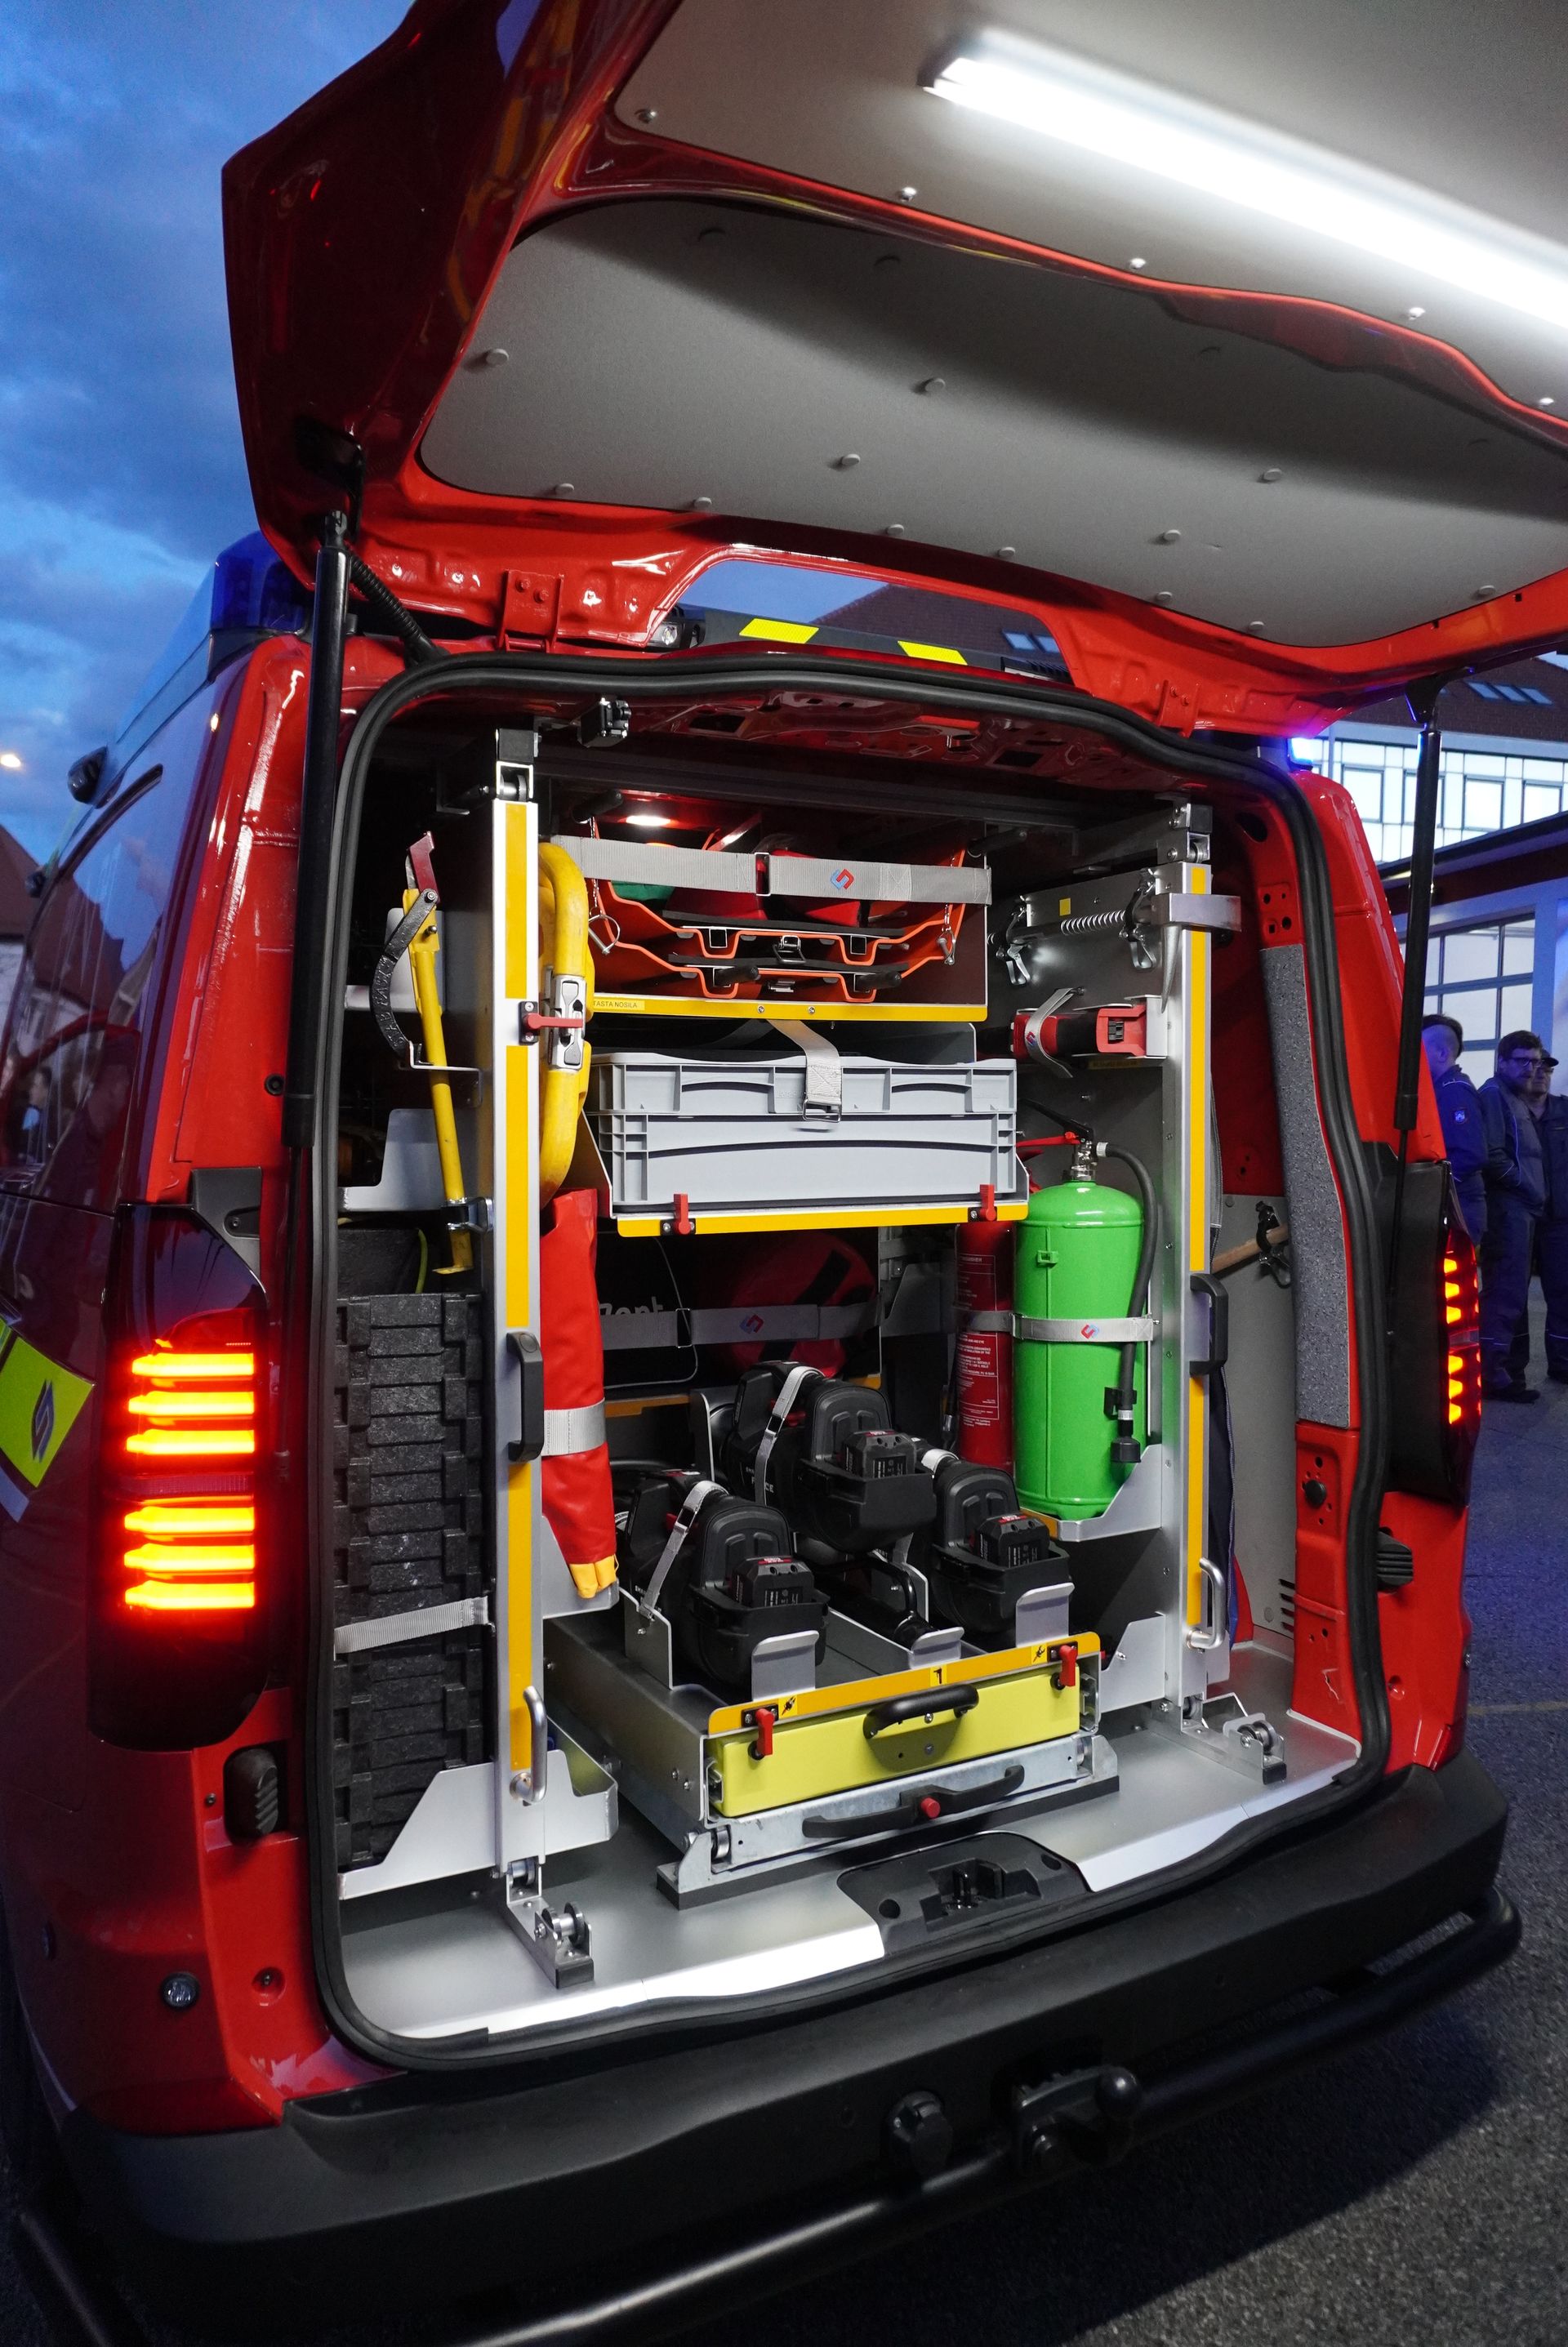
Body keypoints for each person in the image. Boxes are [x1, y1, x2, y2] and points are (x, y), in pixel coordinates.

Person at [1477, 1031, 1548, 1401]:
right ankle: (1491, 1375)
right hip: (1508, 1210)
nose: (1530, 1068)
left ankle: (1501, 1370)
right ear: (1501, 1061)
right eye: (1522, 1061)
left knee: (1514, 1293)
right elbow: (1492, 1155)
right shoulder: (1494, 1095)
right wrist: (1527, 1187)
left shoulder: (1516, 1098)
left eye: (1534, 1062)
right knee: (1504, 1293)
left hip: (1523, 1209)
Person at [1512, 1049, 1568, 1387]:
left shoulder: (1565, 1110)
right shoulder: (1510, 1110)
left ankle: (1562, 1364)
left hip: (1560, 1220)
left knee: (1563, 1294)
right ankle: (1512, 1370)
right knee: (1515, 1295)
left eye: (1547, 1069)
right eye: (1535, 1068)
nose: (1541, 1074)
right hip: (1520, 1216)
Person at [1422, 1014, 1486, 1243]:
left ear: (1442, 1054)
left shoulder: (1455, 1092)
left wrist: (1434, 1188)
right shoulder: (1440, 1090)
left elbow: (1471, 1154)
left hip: (1460, 1205)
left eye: (1420, 1050)